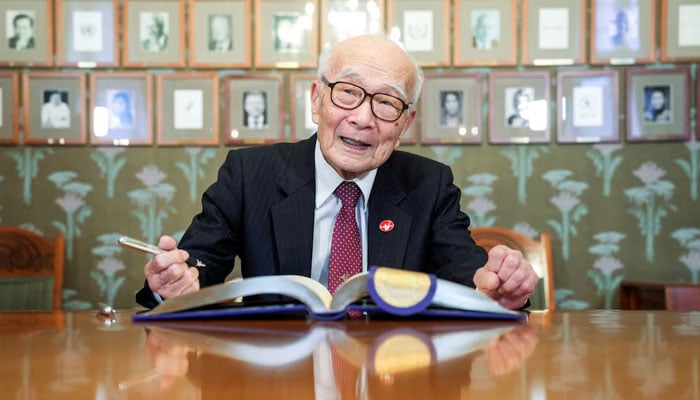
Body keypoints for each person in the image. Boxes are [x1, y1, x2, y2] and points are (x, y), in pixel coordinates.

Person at [136, 34, 538, 312]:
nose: (362, 118)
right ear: (316, 100)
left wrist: (498, 288)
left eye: (386, 103)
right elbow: (198, 265)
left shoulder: (429, 185)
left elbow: (467, 274)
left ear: (405, 123)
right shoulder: (249, 174)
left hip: (390, 377)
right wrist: (174, 285)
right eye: (348, 92)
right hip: (276, 379)